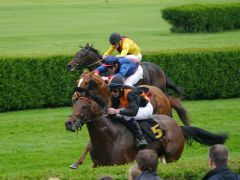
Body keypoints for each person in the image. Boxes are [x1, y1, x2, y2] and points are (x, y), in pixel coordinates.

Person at [107, 76, 153, 148]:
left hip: (146, 108)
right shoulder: (116, 94)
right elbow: (114, 107)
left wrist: (116, 111)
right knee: (116, 115)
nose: (113, 93)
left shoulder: (131, 93)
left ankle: (141, 138)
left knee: (125, 115)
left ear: (121, 88)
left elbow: (133, 112)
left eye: (115, 90)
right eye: (111, 90)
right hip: (134, 108)